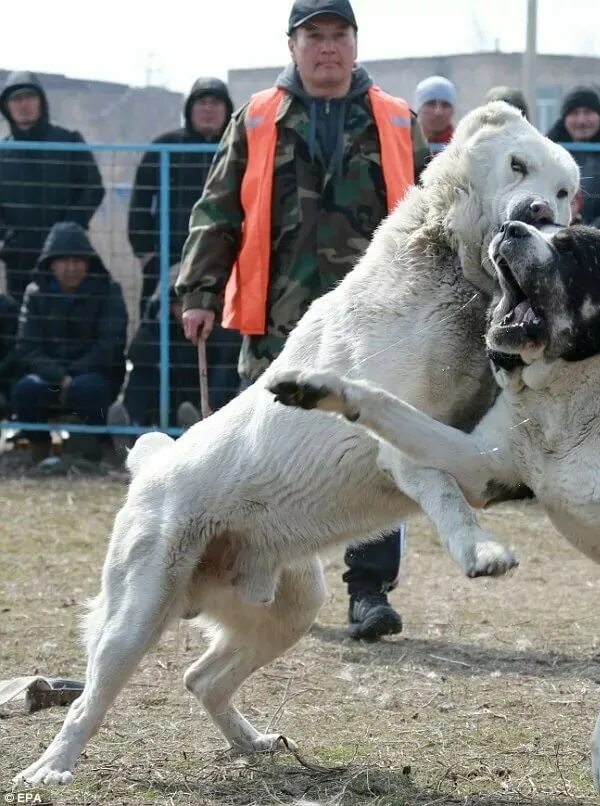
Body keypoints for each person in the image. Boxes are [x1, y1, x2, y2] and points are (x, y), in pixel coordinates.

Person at [176, 0, 429, 640]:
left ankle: (368, 591)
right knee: (271, 452)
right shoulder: (256, 116)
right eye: (313, 35)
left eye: (338, 34)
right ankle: (269, 575)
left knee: (377, 451)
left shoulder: (398, 119)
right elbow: (218, 212)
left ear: (354, 42)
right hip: (279, 317)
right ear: (292, 45)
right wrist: (200, 292)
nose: (327, 48)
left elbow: (435, 217)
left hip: (377, 325)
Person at [10, 222, 127, 463]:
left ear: (89, 263)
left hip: (93, 375)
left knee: (90, 389)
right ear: (50, 264)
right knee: (25, 390)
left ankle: (102, 449)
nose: (70, 268)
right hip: (50, 379)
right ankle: (39, 449)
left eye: (78, 261)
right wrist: (58, 377)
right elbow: (27, 347)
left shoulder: (109, 291)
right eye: (63, 261)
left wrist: (72, 376)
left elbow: (110, 344)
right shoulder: (35, 293)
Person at [128, 78, 234, 316]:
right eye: (202, 102)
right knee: (159, 326)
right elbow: (140, 204)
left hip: (227, 256)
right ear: (189, 108)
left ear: (227, 109)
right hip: (168, 257)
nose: (208, 108)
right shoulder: (165, 146)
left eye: (216, 102)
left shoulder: (239, 147)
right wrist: (146, 254)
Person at [0, 72, 105, 302]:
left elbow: (93, 188)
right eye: (16, 99)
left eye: (29, 97)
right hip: (19, 255)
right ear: (6, 107)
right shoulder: (3, 151)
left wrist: (69, 228)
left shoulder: (68, 142)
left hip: (65, 256)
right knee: (20, 321)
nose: (23, 104)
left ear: (41, 101)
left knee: (65, 318)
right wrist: (7, 234)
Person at [108, 275, 241, 439]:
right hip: (169, 397)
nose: (186, 310)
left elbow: (230, 353)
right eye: (180, 305)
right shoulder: (162, 327)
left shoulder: (219, 330)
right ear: (171, 308)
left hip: (200, 395)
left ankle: (202, 426)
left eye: (193, 304)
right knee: (143, 372)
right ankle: (131, 429)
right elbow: (136, 353)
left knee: (225, 372)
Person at [546, 87, 600, 229]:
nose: (582, 120)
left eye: (588, 112)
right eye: (574, 113)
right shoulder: (548, 156)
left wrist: (589, 233)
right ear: (564, 119)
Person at [414, 75, 456, 148]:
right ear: (418, 109)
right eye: (431, 104)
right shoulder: (404, 144)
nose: (438, 112)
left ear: (453, 111)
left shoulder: (463, 146)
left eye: (445, 105)